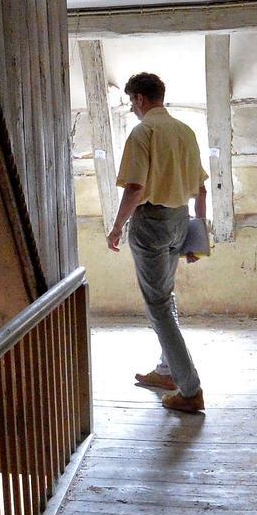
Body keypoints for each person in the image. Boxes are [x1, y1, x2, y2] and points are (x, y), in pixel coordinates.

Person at [106, 72, 207, 413]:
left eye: (131, 101)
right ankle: (166, 371)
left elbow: (135, 188)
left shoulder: (143, 132)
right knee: (166, 296)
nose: (132, 108)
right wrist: (198, 235)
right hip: (179, 220)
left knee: (158, 307)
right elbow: (201, 190)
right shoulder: (185, 131)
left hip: (151, 223)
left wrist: (117, 227)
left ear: (140, 99)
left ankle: (190, 389)